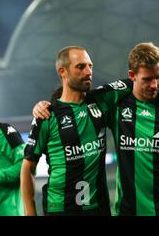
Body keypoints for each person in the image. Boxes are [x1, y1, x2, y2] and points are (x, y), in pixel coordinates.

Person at [33, 42, 159, 216]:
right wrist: (48, 105)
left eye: (158, 78)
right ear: (132, 76)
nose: (154, 85)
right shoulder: (116, 105)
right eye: (147, 79)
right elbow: (78, 100)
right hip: (122, 211)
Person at [21, 46, 113, 216]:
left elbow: (135, 82)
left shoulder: (101, 102)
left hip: (98, 208)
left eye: (90, 66)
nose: (88, 71)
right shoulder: (47, 115)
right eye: (81, 66)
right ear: (63, 72)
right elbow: (28, 167)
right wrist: (30, 211)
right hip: (62, 209)